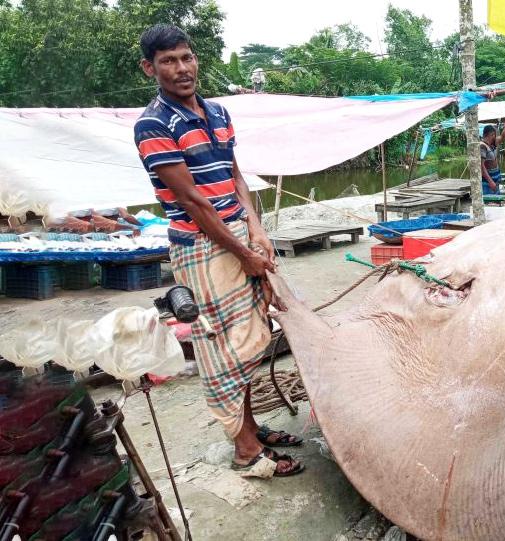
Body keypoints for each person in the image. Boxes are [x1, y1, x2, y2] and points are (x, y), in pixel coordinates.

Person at [133, 24, 304, 477]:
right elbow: (192, 201)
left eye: (186, 57)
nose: (181, 68)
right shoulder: (153, 124)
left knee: (250, 341)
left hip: (238, 236)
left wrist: (257, 228)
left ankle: (249, 427)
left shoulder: (218, 113)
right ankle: (246, 450)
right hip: (202, 247)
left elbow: (234, 177)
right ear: (149, 68)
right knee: (222, 349)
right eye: (168, 61)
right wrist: (243, 252)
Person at [480, 115, 505, 195]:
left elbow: (503, 137)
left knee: (495, 202)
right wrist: (490, 181)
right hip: (487, 181)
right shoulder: (482, 146)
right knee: (489, 203)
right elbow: (481, 166)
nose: (496, 137)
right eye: (495, 135)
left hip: (495, 179)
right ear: (492, 135)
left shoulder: (492, 144)